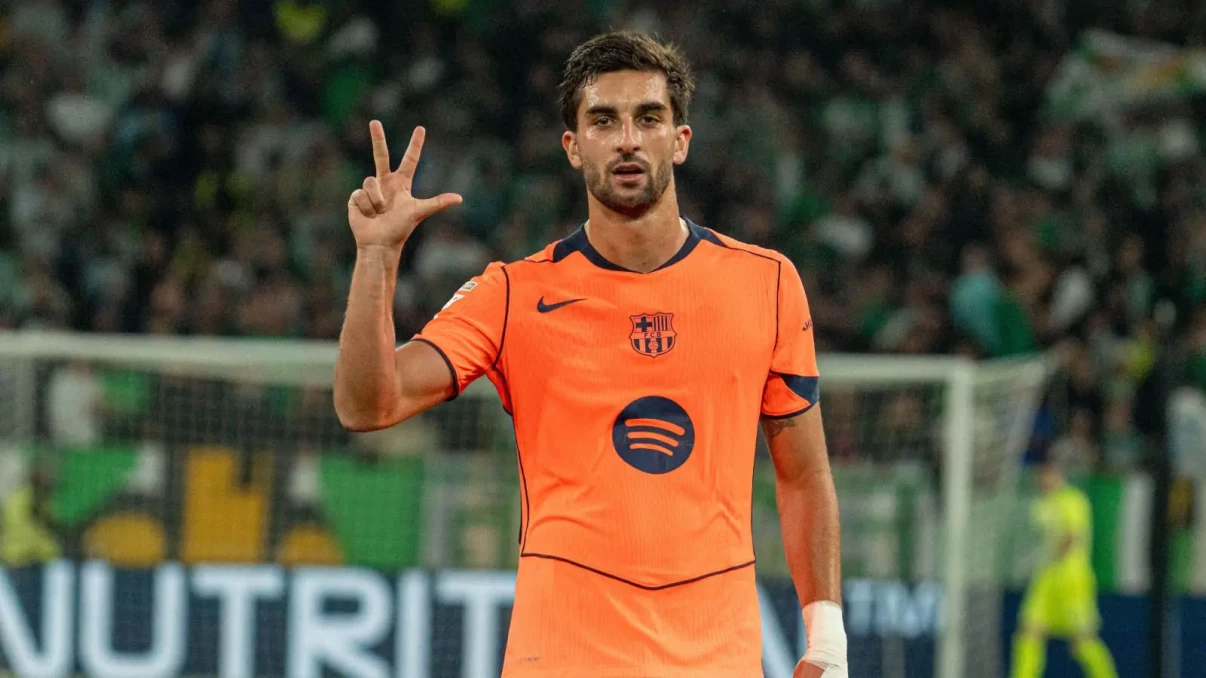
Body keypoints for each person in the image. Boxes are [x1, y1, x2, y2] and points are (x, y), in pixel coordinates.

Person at [334, 31, 846, 677]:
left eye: (648, 118)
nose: (627, 139)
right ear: (574, 147)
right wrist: (376, 257)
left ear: (680, 141)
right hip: (561, 654)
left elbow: (803, 476)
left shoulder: (766, 283)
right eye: (603, 121)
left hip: (716, 655)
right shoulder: (513, 294)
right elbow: (366, 405)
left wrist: (827, 640)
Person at [1011, 460, 1117, 678]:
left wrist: (1051, 555)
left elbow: (1072, 536)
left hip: (1071, 579)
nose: (1042, 480)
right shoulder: (1040, 505)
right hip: (1045, 578)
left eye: (1046, 474)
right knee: (1028, 632)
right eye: (1039, 474)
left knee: (1082, 640)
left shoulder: (1073, 500)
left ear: (1057, 474)